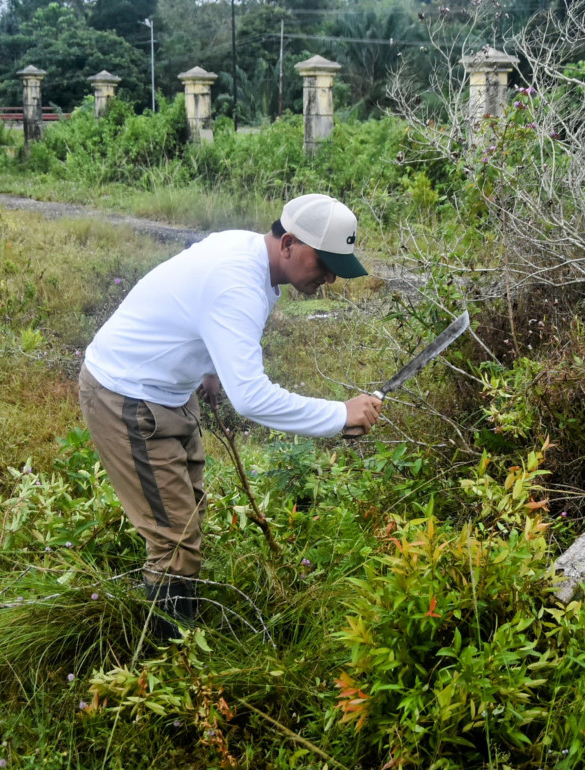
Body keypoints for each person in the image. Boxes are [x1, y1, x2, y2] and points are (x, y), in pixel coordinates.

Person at [79, 193, 383, 638]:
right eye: (324, 263)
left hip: (171, 391)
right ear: (289, 245)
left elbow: (194, 306)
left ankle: (167, 632)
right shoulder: (238, 283)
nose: (332, 277)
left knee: (186, 518)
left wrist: (210, 368)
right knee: (175, 543)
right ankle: (167, 667)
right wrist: (340, 415)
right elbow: (253, 398)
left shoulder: (253, 256)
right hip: (127, 396)